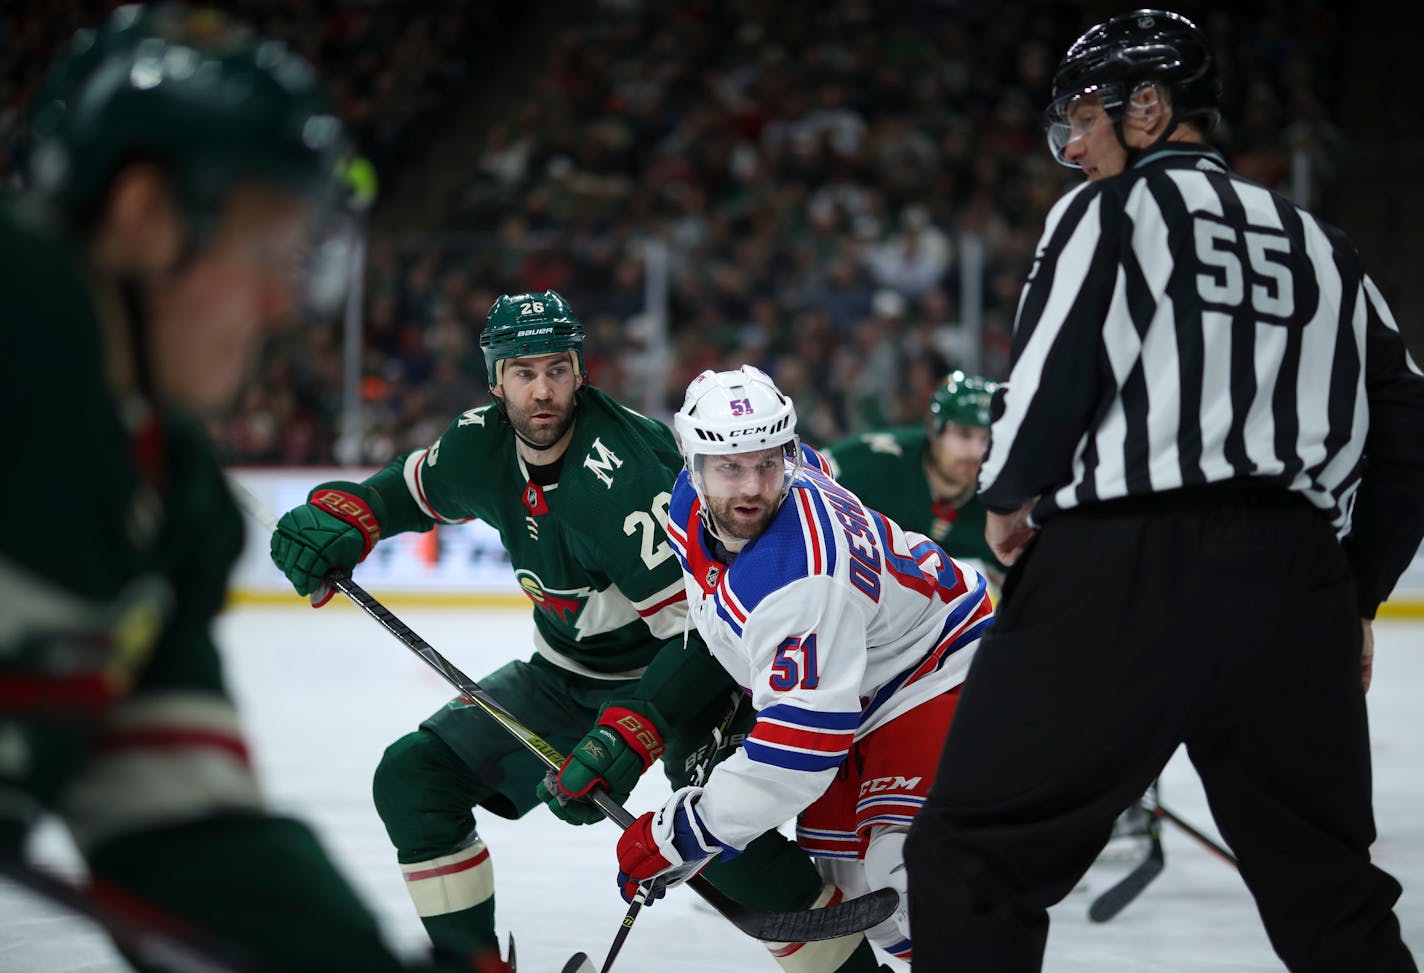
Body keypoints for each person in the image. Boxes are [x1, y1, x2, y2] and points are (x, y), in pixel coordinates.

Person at [904, 10, 1424, 972]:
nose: (1075, 145)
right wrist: (1351, 593)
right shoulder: (1327, 247)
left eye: (1086, 117)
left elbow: (1053, 375)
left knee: (971, 855)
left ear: (1151, 105)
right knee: (1331, 893)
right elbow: (1411, 433)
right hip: (1297, 585)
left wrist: (1008, 504)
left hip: (1123, 566)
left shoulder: (1110, 212)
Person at [0, 6, 464, 971]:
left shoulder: (168, 495)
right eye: (265, 249)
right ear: (144, 218)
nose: (282, 301)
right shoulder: (24, 320)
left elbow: (184, 837)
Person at [270, 293, 879, 973]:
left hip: (691, 682)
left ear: (580, 371)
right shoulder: (480, 444)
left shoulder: (626, 474)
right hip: (567, 676)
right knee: (415, 778)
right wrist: (352, 514)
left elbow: (704, 636)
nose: (541, 390)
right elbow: (411, 491)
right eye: (522, 372)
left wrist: (635, 730)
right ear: (494, 379)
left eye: (557, 369)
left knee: (718, 834)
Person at [609, 365, 995, 967]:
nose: (751, 488)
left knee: (898, 885)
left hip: (935, 664)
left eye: (767, 462)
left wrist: (679, 833)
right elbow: (720, 621)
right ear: (691, 463)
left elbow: (800, 753)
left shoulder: (799, 575)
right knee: (856, 887)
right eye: (729, 466)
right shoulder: (690, 503)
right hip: (859, 675)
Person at [823, 370, 1005, 584]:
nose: (976, 452)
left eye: (986, 438)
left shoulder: (1002, 498)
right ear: (934, 431)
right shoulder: (877, 461)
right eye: (964, 434)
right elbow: (808, 476)